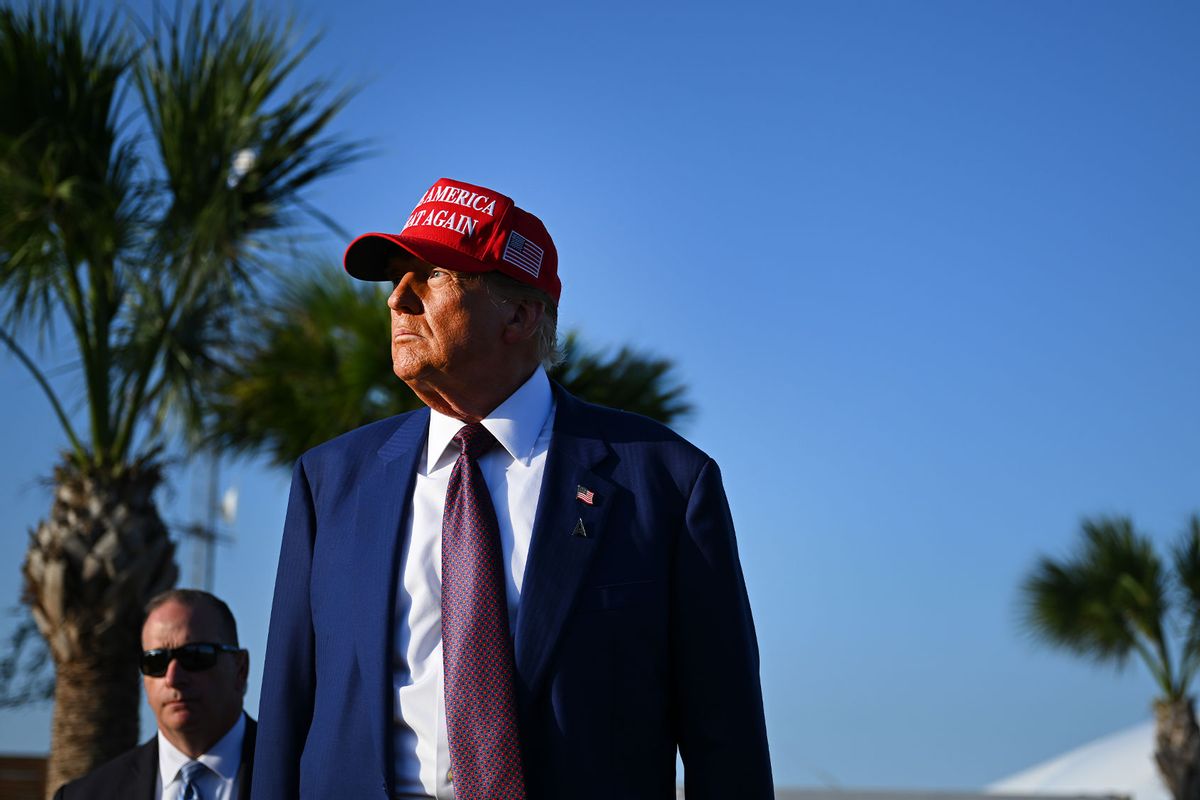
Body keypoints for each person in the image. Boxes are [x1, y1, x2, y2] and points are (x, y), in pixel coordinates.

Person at [252, 177, 773, 800]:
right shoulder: (330, 480)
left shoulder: (664, 482)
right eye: (395, 279)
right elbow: (287, 711)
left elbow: (727, 735)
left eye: (431, 277)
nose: (398, 300)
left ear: (521, 315)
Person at [54, 589, 256, 799]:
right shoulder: (85, 795)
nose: (173, 678)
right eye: (155, 661)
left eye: (195, 656)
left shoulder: (288, 773)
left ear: (240, 669)